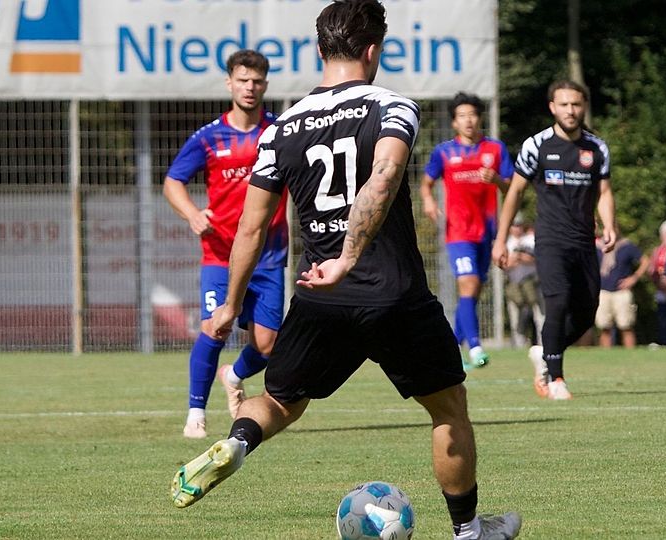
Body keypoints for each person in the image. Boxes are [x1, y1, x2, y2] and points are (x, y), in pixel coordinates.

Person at [169, 2, 521, 539]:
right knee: (448, 408)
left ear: (319, 49)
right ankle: (469, 532)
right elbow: (384, 175)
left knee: (280, 402)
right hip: (392, 292)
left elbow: (250, 228)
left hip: (318, 296)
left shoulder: (281, 128)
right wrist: (350, 257)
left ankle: (237, 442)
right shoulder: (393, 107)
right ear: (373, 50)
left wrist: (230, 306)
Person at [163, 50, 288, 439]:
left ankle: (233, 375)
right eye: (243, 80)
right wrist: (192, 214)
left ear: (265, 85)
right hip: (220, 255)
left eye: (257, 81)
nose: (250, 87)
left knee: (267, 346)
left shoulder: (279, 133)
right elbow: (172, 182)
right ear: (229, 83)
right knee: (215, 327)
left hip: (268, 256)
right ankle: (196, 414)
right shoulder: (209, 137)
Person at [492, 80, 617, 401]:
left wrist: (609, 224)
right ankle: (556, 378)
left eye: (576, 104)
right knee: (557, 302)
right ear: (552, 107)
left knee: (587, 311)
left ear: (584, 107)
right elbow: (515, 192)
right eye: (564, 104)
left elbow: (604, 192)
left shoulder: (596, 148)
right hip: (549, 240)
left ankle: (545, 352)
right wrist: (501, 239)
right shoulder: (537, 145)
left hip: (584, 241)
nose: (570, 110)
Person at [420, 92, 513, 369]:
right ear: (454, 122)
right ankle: (475, 347)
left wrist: (497, 179)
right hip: (458, 233)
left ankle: (449, 350)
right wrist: (428, 201)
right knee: (468, 285)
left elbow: (512, 188)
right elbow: (426, 182)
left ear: (480, 118)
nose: (468, 120)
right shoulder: (444, 152)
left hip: (487, 232)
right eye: (462, 116)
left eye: (472, 115)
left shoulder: (495, 149)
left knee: (472, 293)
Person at [595, 234, 649, 348]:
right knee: (604, 327)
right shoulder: (597, 246)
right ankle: (605, 356)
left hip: (621, 292)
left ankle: (631, 355)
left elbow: (645, 261)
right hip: (603, 291)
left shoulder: (626, 246)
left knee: (626, 326)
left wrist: (634, 278)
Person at [504, 217, 544, 348]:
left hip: (533, 283)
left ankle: (543, 342)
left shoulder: (530, 240)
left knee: (539, 315)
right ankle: (518, 345)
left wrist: (519, 257)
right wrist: (520, 258)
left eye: (519, 225)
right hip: (514, 285)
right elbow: (505, 263)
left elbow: (536, 258)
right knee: (517, 317)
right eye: (514, 225)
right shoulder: (507, 242)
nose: (517, 228)